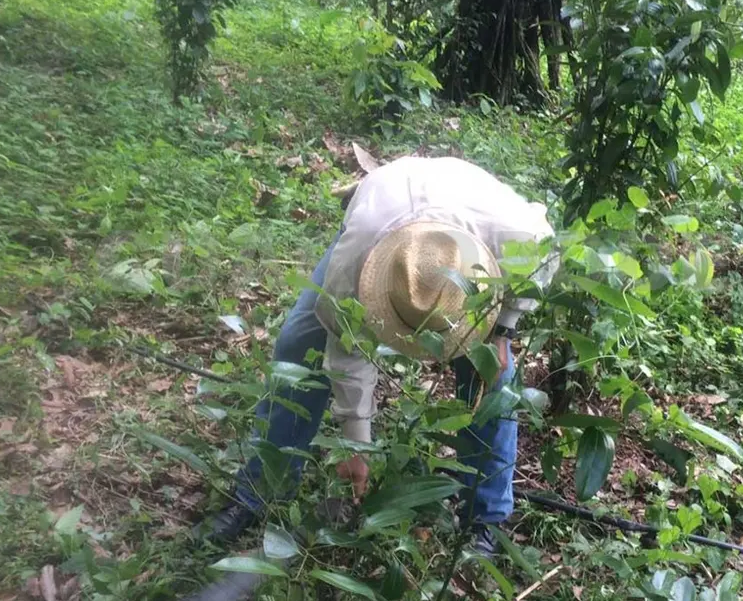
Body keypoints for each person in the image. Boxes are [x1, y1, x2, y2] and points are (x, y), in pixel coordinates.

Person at [197, 156, 558, 555]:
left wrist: (504, 329)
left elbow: (543, 260)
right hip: (387, 211)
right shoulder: (356, 257)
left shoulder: (518, 234)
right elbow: (346, 347)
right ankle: (262, 487)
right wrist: (357, 445)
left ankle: (485, 518)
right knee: (299, 345)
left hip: (475, 243)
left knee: (491, 379)